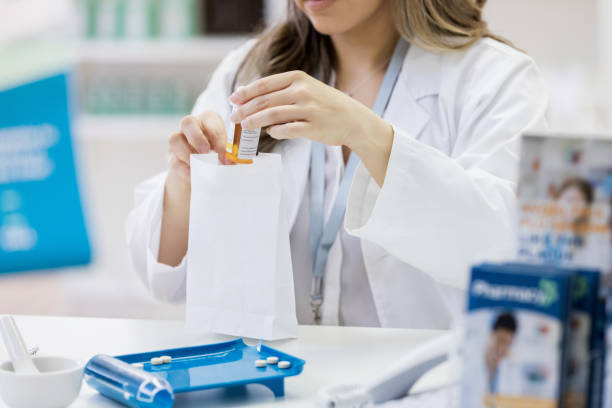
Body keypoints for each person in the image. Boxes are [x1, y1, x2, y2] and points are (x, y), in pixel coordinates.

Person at [126, 0, 548, 329]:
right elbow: (165, 281)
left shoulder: (492, 78)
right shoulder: (250, 70)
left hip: (428, 387)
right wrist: (185, 184)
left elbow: (506, 250)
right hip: (283, 383)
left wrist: (367, 134)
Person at [484, 312, 517, 394]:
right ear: (491, 335)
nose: (500, 349)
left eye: (506, 344)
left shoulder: (510, 374)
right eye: (499, 341)